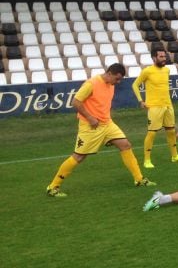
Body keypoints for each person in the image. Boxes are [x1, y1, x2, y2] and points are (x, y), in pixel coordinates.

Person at [46, 63, 155, 197]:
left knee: (125, 145)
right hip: (90, 126)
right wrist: (90, 118)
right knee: (79, 157)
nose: (118, 82)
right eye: (117, 78)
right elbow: (76, 102)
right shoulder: (91, 84)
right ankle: (53, 187)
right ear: (109, 74)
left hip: (107, 124)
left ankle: (139, 179)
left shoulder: (110, 84)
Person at [131, 47, 178, 169]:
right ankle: (147, 160)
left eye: (164, 56)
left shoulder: (167, 70)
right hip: (154, 107)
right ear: (154, 58)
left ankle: (175, 156)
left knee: (171, 131)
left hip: (168, 106)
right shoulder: (147, 71)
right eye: (161, 57)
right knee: (151, 134)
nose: (164, 59)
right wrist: (141, 100)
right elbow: (135, 85)